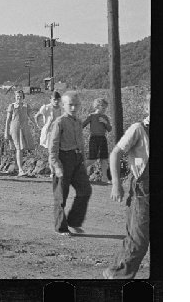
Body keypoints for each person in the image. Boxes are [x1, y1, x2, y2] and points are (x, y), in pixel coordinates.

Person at [103, 93, 151, 279]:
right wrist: (116, 184)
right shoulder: (138, 129)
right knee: (138, 239)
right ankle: (116, 276)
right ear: (147, 108)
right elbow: (116, 153)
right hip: (142, 189)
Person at [48, 91, 92, 236]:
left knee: (85, 190)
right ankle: (61, 228)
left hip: (77, 159)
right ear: (63, 105)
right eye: (70, 105)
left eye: (76, 105)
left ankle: (73, 221)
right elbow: (52, 146)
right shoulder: (59, 122)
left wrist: (83, 161)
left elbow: (81, 143)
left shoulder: (78, 122)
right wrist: (56, 165)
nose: (73, 108)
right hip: (63, 159)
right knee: (61, 196)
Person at [4, 90, 36, 176]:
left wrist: (36, 125)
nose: (19, 98)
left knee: (23, 148)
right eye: (17, 96)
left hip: (24, 129)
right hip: (15, 129)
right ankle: (20, 170)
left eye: (20, 96)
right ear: (15, 97)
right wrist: (6, 132)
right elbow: (8, 120)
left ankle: (16, 167)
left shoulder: (26, 106)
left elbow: (31, 117)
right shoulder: (12, 106)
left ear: (23, 97)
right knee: (19, 148)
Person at [82, 98, 113, 183]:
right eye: (103, 108)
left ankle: (105, 178)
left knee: (104, 159)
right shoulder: (91, 116)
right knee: (92, 159)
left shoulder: (105, 117)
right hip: (94, 138)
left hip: (103, 139)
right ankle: (79, 169)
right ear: (97, 106)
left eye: (105, 108)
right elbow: (82, 125)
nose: (104, 109)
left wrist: (105, 122)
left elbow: (109, 129)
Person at [36, 91, 62, 177]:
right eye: (54, 99)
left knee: (57, 152)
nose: (56, 101)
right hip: (49, 132)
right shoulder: (46, 108)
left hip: (58, 132)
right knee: (51, 152)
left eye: (58, 99)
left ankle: (57, 169)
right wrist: (40, 126)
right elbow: (37, 116)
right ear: (50, 99)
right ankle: (52, 171)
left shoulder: (61, 108)